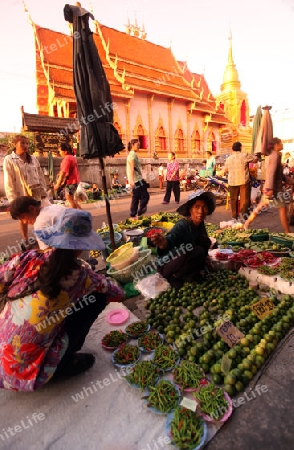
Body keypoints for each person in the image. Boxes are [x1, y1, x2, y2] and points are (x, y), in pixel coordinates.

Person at [0, 208, 124, 391]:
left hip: (3, 363)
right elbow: (117, 294)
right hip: (29, 374)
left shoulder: (28, 258)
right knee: (97, 299)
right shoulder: (83, 277)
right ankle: (64, 363)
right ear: (81, 246)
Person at [151, 190, 215, 288]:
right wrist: (164, 243)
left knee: (205, 242)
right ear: (190, 210)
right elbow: (170, 239)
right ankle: (174, 277)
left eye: (204, 207)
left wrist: (206, 259)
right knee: (197, 251)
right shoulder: (182, 225)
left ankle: (187, 274)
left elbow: (204, 243)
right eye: (197, 207)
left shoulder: (200, 224)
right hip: (167, 266)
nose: (201, 211)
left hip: (182, 262)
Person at [3, 135, 49, 248]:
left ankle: (42, 238)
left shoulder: (33, 158)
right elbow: (8, 181)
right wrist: (13, 200)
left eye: (26, 143)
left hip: (36, 193)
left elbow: (40, 176)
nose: (25, 146)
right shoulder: (9, 160)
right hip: (21, 194)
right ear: (15, 144)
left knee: (39, 214)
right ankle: (25, 240)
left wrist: (44, 191)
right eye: (22, 143)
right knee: (24, 218)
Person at [244, 137, 294, 233]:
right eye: (281, 143)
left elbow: (278, 174)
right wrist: (269, 188)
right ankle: (288, 233)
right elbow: (271, 173)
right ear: (276, 145)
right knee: (282, 210)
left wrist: (290, 181)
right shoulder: (274, 156)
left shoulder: (274, 156)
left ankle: (247, 223)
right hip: (274, 189)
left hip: (270, 187)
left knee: (260, 207)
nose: (282, 145)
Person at [224, 141, 257, 220]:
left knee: (233, 200)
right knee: (244, 200)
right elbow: (255, 158)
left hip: (232, 182)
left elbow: (226, 170)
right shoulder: (244, 155)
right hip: (243, 181)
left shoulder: (228, 158)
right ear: (240, 148)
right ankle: (243, 218)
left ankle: (234, 217)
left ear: (232, 149)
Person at [126, 138, 150, 218]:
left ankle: (133, 214)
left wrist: (131, 180)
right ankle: (140, 210)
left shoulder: (130, 154)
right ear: (132, 145)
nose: (139, 146)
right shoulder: (133, 154)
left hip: (135, 179)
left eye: (139, 145)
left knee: (135, 197)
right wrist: (132, 180)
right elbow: (132, 168)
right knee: (145, 196)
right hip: (137, 180)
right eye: (137, 145)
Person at [54, 143, 81, 209]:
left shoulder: (67, 159)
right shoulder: (72, 157)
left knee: (69, 198)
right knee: (71, 198)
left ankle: (76, 213)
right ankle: (81, 212)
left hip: (71, 181)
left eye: (60, 151)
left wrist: (58, 184)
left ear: (65, 151)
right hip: (75, 180)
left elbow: (63, 172)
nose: (59, 152)